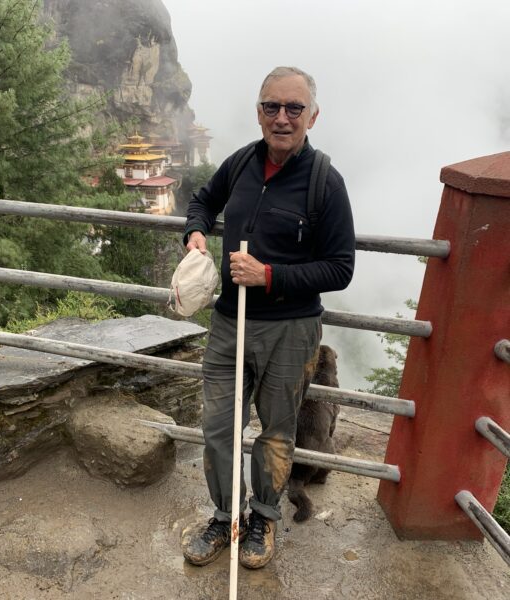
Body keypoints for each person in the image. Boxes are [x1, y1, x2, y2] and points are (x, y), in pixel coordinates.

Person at [180, 66, 355, 569]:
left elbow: (340, 268)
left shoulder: (325, 182)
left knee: (276, 431)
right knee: (218, 427)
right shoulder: (240, 164)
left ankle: (262, 517)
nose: (282, 117)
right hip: (228, 323)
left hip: (291, 330)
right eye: (272, 106)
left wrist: (268, 275)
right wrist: (195, 232)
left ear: (312, 117)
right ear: (258, 113)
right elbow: (202, 200)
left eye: (294, 108)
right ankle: (225, 516)